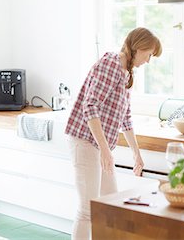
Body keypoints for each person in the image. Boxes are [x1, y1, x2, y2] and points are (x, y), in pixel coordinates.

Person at [65, 27, 162, 240]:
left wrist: (137, 153)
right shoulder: (110, 64)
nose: (148, 61)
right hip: (84, 141)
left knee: (110, 204)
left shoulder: (126, 72)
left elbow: (125, 117)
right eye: (148, 55)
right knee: (88, 209)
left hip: (99, 145)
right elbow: (90, 107)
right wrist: (105, 150)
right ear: (138, 48)